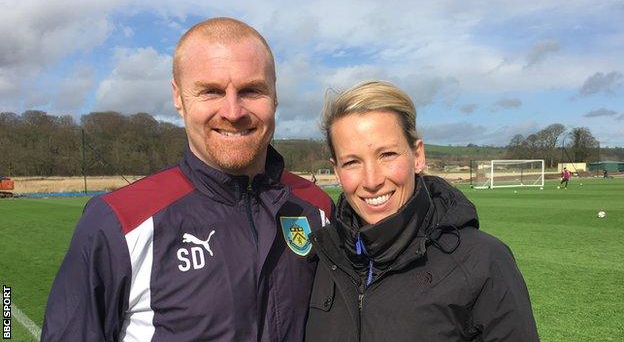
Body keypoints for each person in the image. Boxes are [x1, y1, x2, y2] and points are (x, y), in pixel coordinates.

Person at [42, 17, 333, 342]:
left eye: (252, 91)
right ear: (178, 98)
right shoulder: (119, 223)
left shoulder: (317, 209)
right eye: (211, 91)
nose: (233, 111)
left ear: (275, 97)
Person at [305, 81, 539, 341]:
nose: (371, 181)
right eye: (352, 162)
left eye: (387, 155)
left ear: (417, 156)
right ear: (336, 170)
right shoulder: (323, 256)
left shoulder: (483, 261)